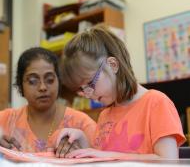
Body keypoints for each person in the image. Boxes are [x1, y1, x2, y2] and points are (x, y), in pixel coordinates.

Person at [57, 25, 186, 159]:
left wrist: (108, 156)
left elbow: (168, 161)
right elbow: (101, 158)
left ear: (113, 65)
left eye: (90, 83)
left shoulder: (156, 103)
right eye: (82, 89)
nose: (89, 94)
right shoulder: (104, 115)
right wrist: (83, 143)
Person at [0, 47, 96, 156]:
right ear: (21, 85)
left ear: (59, 82)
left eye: (50, 80)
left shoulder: (82, 124)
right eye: (32, 81)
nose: (42, 87)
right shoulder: (6, 121)